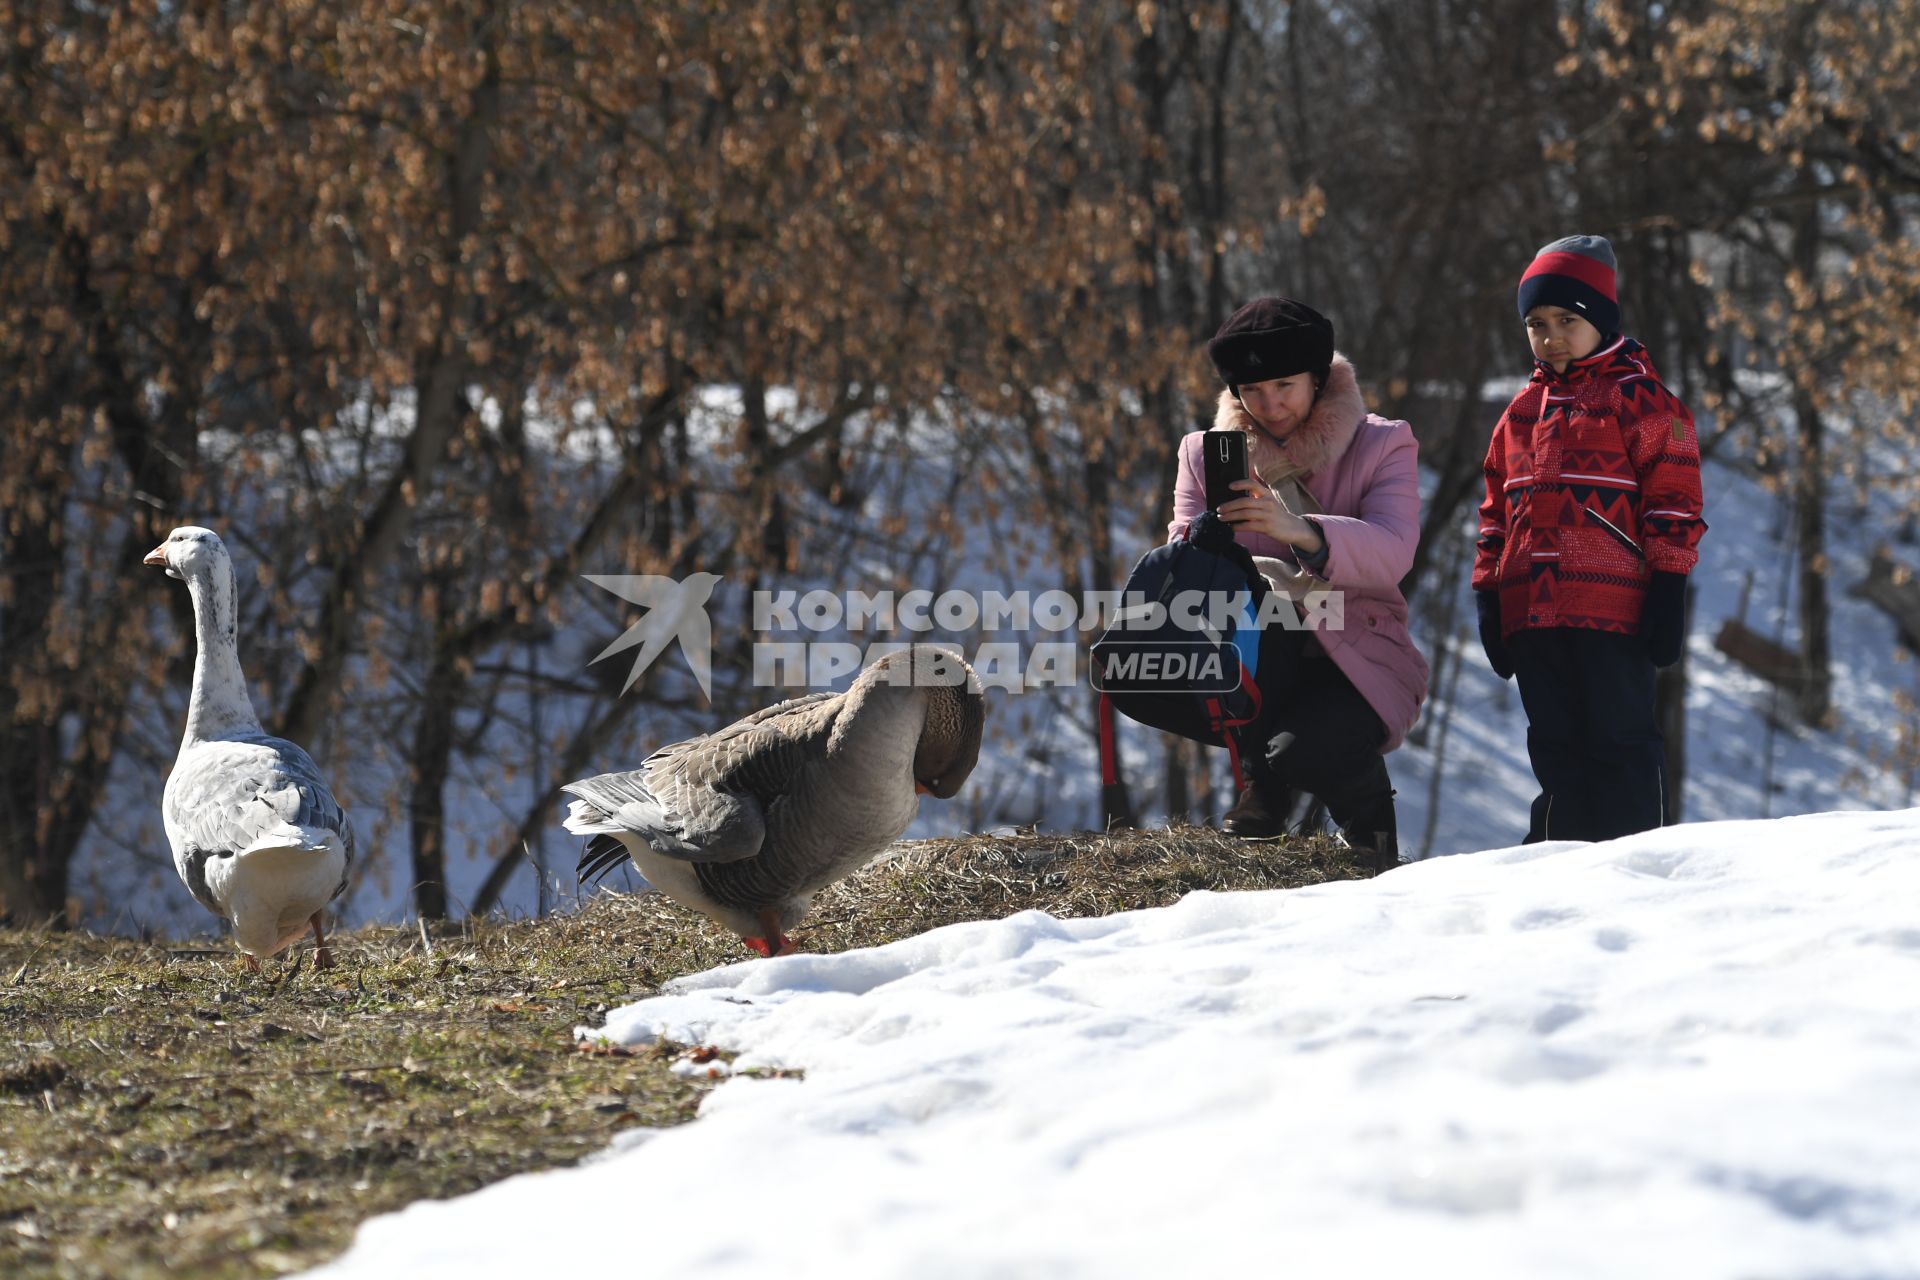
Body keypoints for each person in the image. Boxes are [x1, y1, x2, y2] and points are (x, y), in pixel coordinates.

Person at [1168, 296, 1430, 871]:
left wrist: (1302, 532)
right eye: (1251, 391)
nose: (1270, 404)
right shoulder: (1204, 455)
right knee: (1256, 612)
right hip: (1257, 657)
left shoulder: (1383, 442)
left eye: (1284, 384)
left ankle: (1374, 846)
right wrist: (1206, 544)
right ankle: (1265, 786)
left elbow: (1394, 552)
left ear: (1318, 377)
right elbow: (1185, 570)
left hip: (1359, 655)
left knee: (1309, 750)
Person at [1472, 234, 1706, 842]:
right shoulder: (1520, 413)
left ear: (1601, 321)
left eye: (1567, 321)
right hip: (1532, 611)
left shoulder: (1642, 401)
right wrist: (1488, 595)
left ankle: (1631, 854)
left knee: (1618, 736)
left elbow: (1675, 500)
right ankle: (1557, 854)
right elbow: (1495, 512)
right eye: (1537, 323)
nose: (1550, 336)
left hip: (1611, 609)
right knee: (1553, 739)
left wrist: (1669, 586)